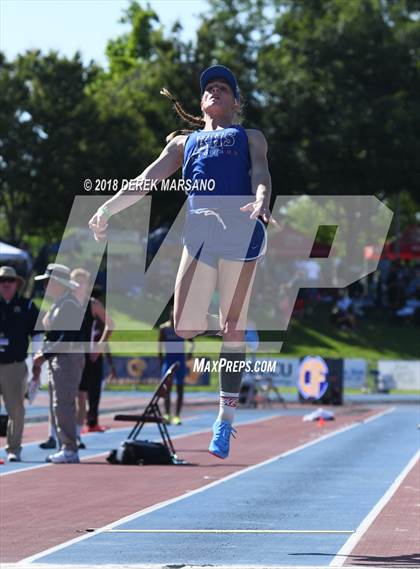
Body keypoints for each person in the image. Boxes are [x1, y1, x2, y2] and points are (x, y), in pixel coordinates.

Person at [89, 65, 272, 459]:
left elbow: (261, 172)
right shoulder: (182, 145)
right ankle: (233, 329)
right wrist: (106, 208)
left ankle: (224, 420)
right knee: (184, 326)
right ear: (202, 102)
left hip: (242, 228)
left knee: (233, 327)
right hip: (200, 233)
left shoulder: (248, 136)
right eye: (210, 88)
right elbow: (144, 180)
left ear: (236, 102)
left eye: (224, 88)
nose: (215, 91)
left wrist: (261, 198)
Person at [32, 264, 85, 463]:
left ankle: (70, 448)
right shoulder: (61, 302)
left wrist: (44, 355)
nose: (45, 285)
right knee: (58, 404)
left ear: (58, 283)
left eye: (48, 281)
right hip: (59, 358)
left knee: (63, 404)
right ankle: (66, 446)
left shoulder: (68, 304)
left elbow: (66, 337)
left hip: (67, 359)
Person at [0, 266, 39, 462]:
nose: (5, 284)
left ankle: (13, 448)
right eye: (2, 280)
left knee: (15, 410)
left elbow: (38, 334)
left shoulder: (27, 306)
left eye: (10, 280)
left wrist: (36, 363)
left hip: (14, 366)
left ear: (17, 283)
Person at [70, 269, 114, 438]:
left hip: (87, 357)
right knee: (68, 398)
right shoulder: (66, 303)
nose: (80, 285)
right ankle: (63, 434)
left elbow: (111, 324)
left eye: (83, 282)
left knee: (83, 397)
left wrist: (99, 346)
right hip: (69, 356)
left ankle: (77, 434)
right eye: (76, 282)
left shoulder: (93, 304)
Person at [158, 310, 193, 425]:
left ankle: (177, 416)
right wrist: (161, 360)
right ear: (170, 317)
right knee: (167, 389)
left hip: (180, 361)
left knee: (180, 389)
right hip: (169, 360)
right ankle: (167, 414)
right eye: (173, 318)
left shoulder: (183, 328)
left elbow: (191, 342)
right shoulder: (164, 328)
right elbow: (159, 345)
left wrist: (190, 354)